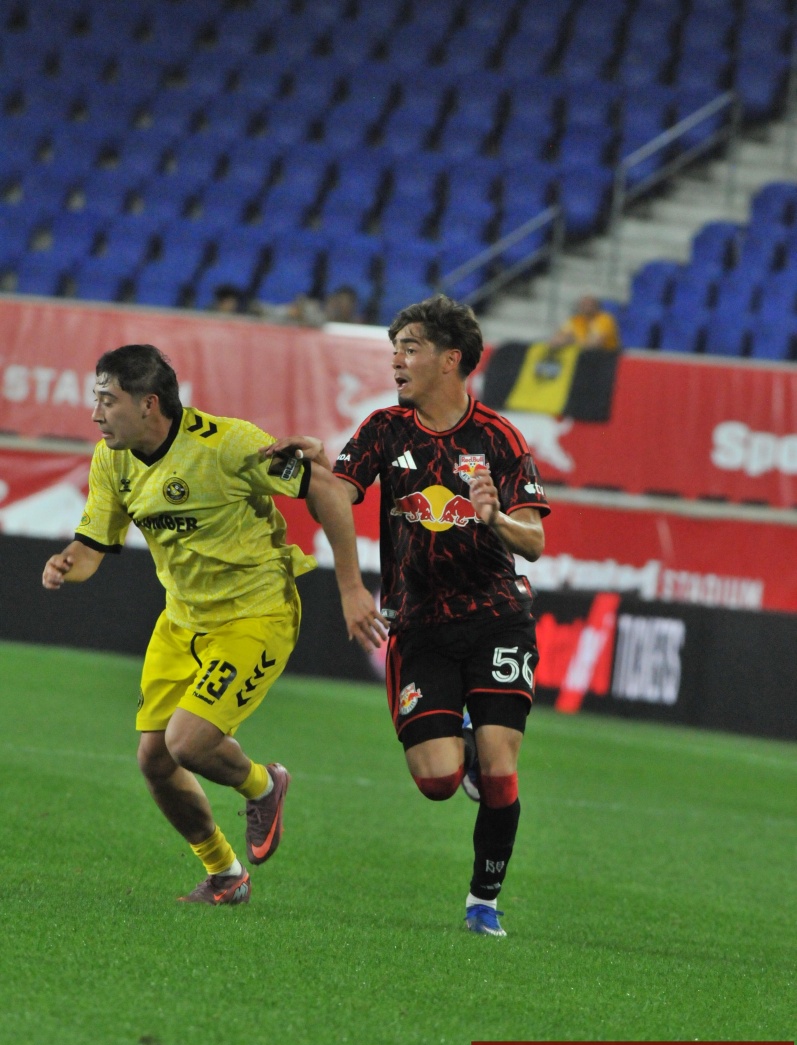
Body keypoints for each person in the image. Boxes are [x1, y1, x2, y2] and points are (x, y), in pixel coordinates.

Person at [42, 344, 385, 906]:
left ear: (149, 404)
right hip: (182, 619)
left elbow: (325, 487)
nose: (96, 413)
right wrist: (66, 564)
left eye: (107, 400)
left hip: (256, 613)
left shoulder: (228, 444)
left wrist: (351, 588)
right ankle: (225, 874)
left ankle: (264, 784)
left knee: (187, 742)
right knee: (155, 760)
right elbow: (92, 545)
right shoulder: (112, 459)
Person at [262, 295, 551, 937]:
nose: (396, 359)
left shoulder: (499, 438)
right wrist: (309, 469)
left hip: (498, 615)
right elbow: (337, 495)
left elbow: (533, 540)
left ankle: (483, 903)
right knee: (438, 781)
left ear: (451, 360)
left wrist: (495, 519)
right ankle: (463, 749)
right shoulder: (384, 429)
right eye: (394, 348)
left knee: (501, 764)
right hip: (419, 624)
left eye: (410, 348)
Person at [547, 293, 621, 350]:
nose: (586, 307)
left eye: (589, 305)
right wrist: (563, 340)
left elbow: (595, 343)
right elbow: (557, 339)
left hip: (605, 355)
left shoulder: (605, 319)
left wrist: (571, 341)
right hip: (584, 353)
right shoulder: (576, 319)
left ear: (596, 306)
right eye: (583, 304)